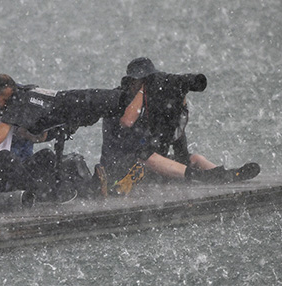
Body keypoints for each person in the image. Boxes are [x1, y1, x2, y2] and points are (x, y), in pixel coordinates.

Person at [99, 58, 259, 193]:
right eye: (145, 82)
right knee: (146, 156)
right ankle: (204, 177)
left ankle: (226, 175)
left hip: (147, 169)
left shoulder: (151, 106)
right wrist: (143, 91)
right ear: (133, 82)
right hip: (118, 171)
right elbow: (127, 121)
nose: (152, 86)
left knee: (195, 158)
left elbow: (178, 143)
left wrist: (177, 99)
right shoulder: (119, 98)